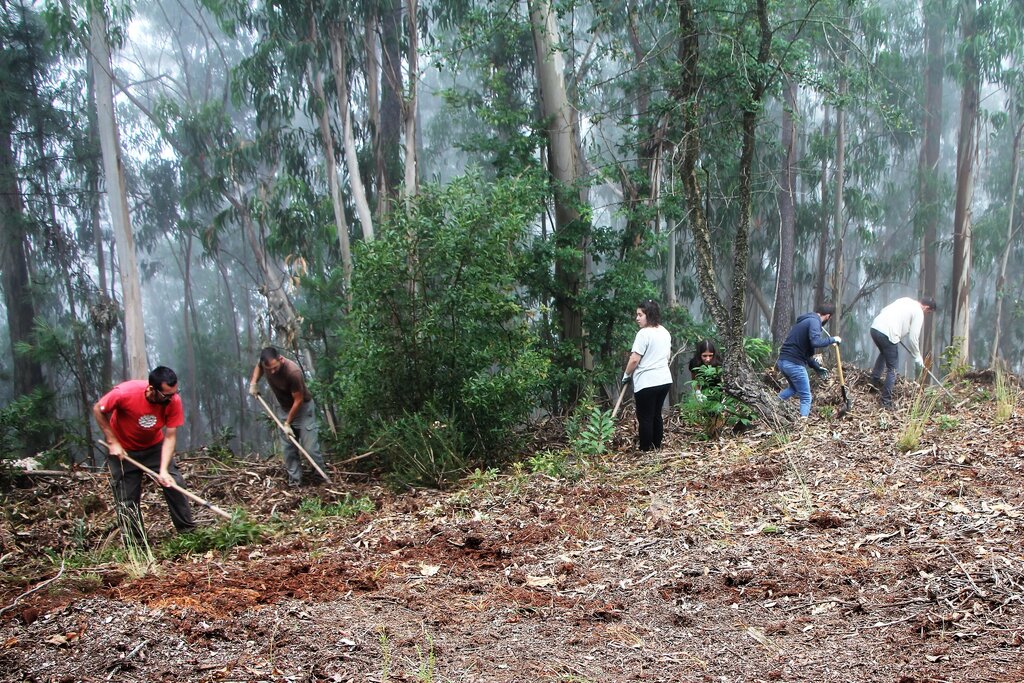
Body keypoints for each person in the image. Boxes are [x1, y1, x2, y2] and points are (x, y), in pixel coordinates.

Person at [93, 366, 196, 542]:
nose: (172, 398)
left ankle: (187, 533)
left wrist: (163, 470)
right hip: (123, 451)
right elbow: (98, 409)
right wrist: (113, 441)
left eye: (174, 393)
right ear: (151, 389)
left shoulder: (174, 401)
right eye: (167, 395)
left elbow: (170, 436)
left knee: (174, 482)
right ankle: (136, 544)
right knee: (126, 498)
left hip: (154, 448)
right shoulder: (125, 393)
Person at [249, 347, 327, 486]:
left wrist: (287, 423)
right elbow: (259, 367)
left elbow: (298, 400)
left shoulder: (293, 372)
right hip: (284, 409)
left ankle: (321, 480)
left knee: (310, 449)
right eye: (269, 369)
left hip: (302, 410)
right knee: (288, 450)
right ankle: (295, 483)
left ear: (281, 359)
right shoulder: (265, 364)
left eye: (275, 367)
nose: (272, 371)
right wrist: (254, 383)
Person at [869, 296, 938, 409]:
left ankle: (873, 381)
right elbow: (913, 338)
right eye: (928, 312)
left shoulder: (905, 300)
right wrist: (917, 356)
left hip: (875, 327)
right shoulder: (919, 312)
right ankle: (886, 401)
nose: (927, 314)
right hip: (888, 333)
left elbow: (885, 311)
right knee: (893, 369)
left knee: (884, 353)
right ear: (926, 307)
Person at [622, 300, 673, 451]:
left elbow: (634, 359)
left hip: (647, 382)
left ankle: (645, 449)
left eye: (640, 315)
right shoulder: (664, 331)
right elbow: (667, 355)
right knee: (656, 414)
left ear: (649, 315)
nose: (637, 318)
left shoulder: (643, 334)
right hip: (664, 380)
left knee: (645, 417)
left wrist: (626, 374)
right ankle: (656, 447)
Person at [776, 304, 840, 418]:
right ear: (828, 316)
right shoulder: (814, 322)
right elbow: (815, 342)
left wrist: (816, 367)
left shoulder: (804, 321)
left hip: (783, 362)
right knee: (806, 397)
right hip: (794, 364)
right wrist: (833, 339)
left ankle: (773, 404)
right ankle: (802, 425)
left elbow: (804, 352)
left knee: (794, 388)